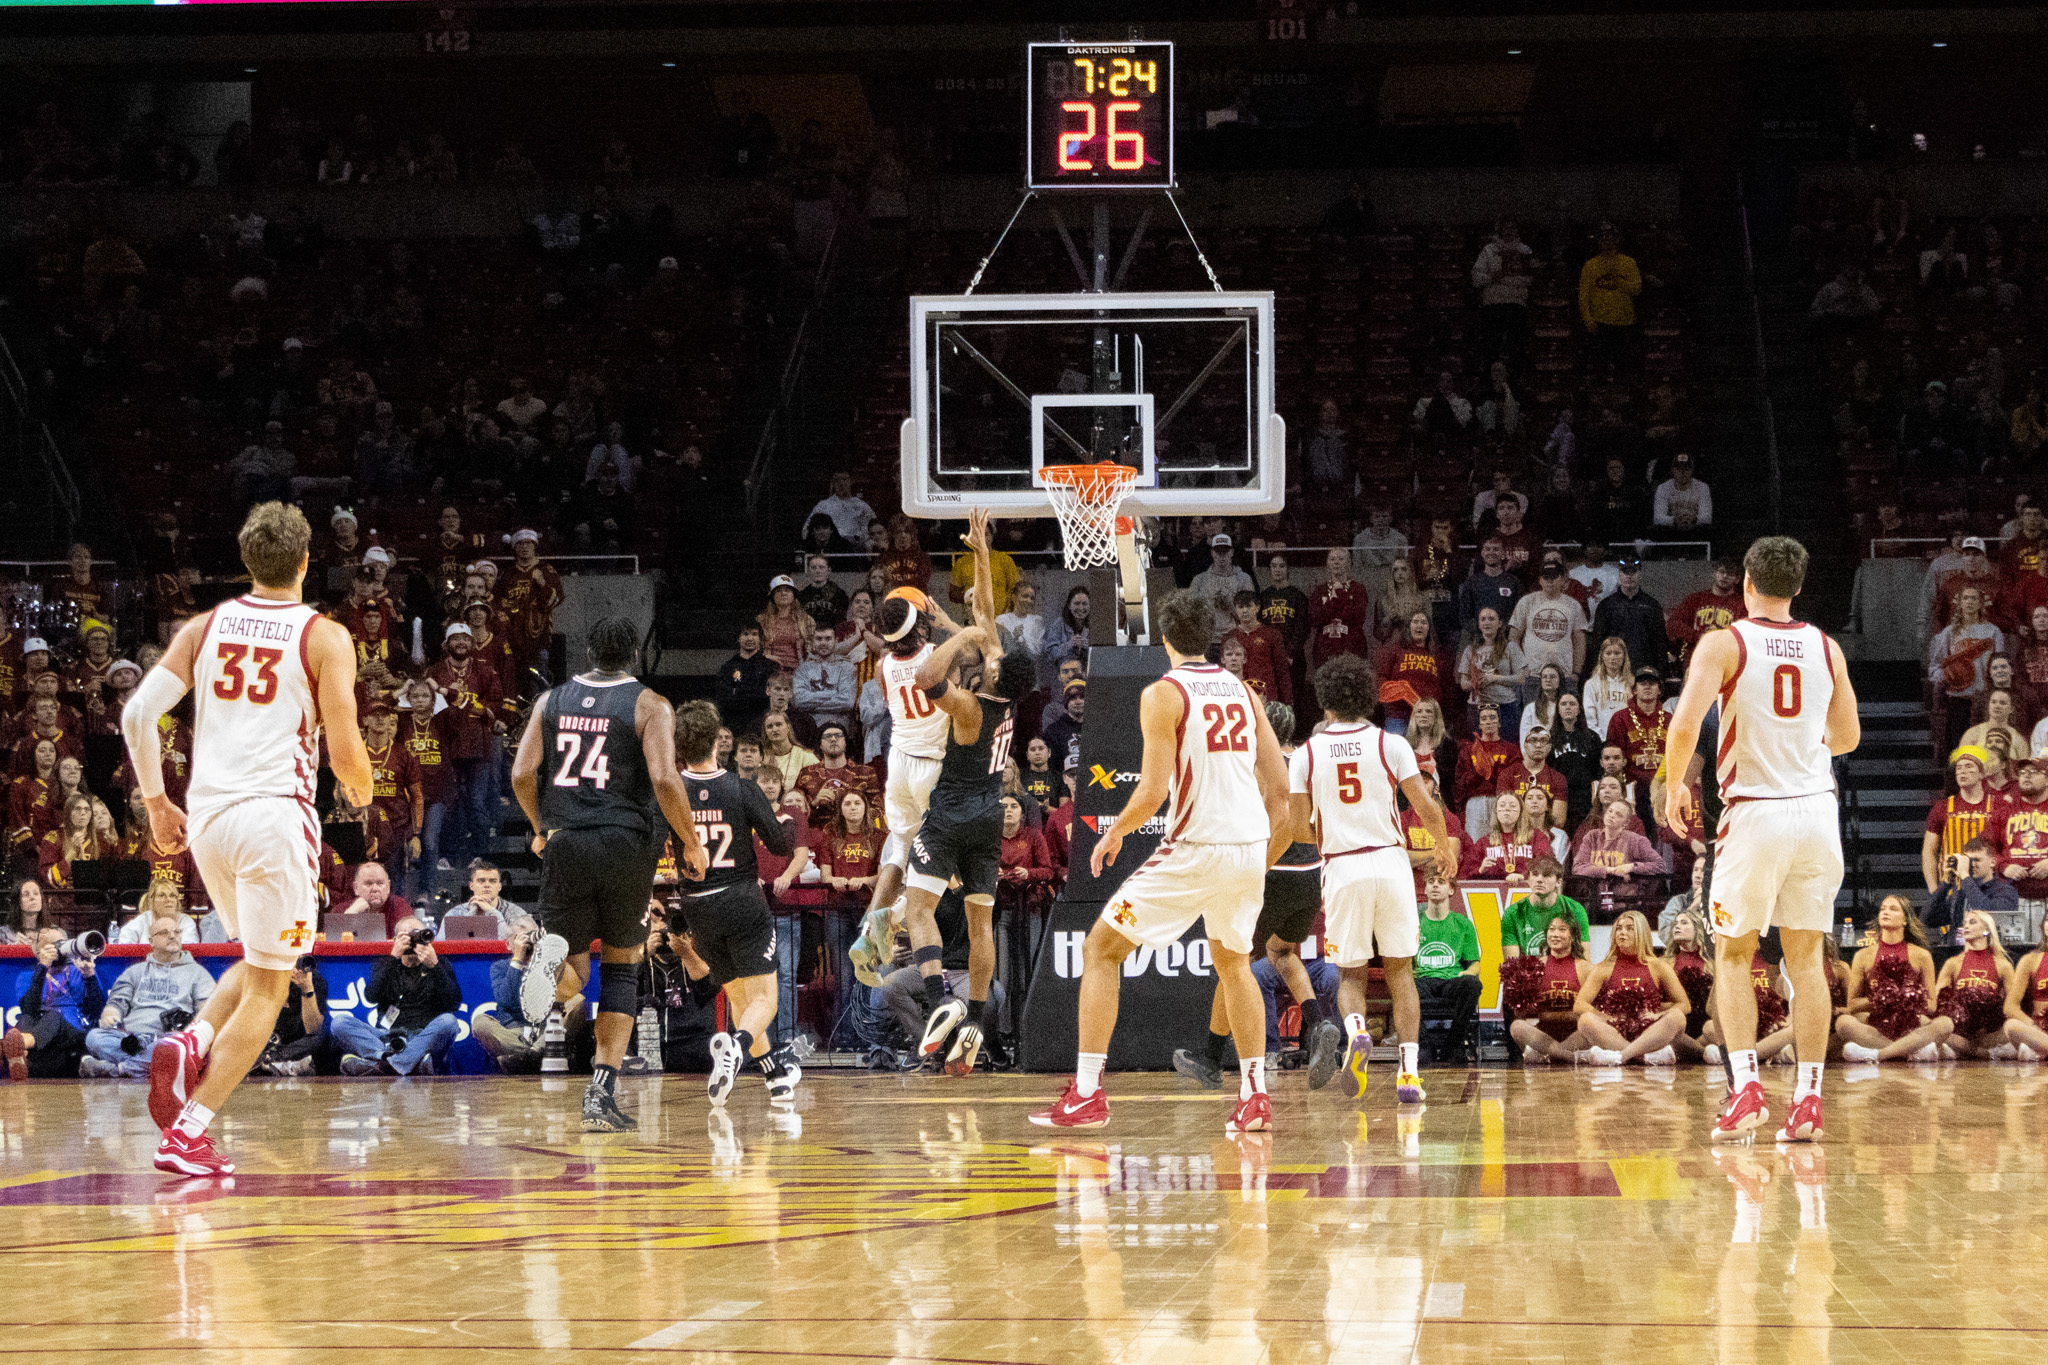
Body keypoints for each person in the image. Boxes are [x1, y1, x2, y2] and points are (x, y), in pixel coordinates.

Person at [121, 502, 373, 1177]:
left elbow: (137, 713)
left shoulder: (203, 627)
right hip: (273, 817)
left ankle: (193, 1037)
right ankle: (190, 1131)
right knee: (272, 987)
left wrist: (155, 804)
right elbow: (347, 749)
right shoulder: (324, 635)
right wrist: (364, 787)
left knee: (261, 963)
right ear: (305, 560)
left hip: (207, 819)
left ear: (247, 560)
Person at [1031, 588, 1291, 1134]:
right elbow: (1281, 792)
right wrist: (1258, 856)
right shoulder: (1245, 691)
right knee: (1234, 964)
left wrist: (1113, 835)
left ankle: (1086, 1093)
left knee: (1101, 949)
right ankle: (1255, 1097)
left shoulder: (1163, 693)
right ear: (1213, 637)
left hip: (1194, 848)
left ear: (1165, 639)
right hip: (1245, 848)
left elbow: (1151, 791)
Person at [1665, 535, 1859, 1144]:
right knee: (1806, 961)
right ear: (1799, 587)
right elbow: (1848, 736)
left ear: (1746, 582)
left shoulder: (1725, 642)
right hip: (1816, 811)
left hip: (1756, 812)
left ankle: (1746, 1087)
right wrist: (1800, 747)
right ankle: (1808, 1101)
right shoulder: (1827, 648)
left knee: (1732, 953)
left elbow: (1686, 721)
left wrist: (1675, 786)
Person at [510, 616, 710, 1133]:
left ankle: (548, 969)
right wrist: (690, 841)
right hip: (625, 845)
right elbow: (666, 778)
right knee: (622, 967)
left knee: (574, 972)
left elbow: (521, 773)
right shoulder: (650, 704)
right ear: (635, 656)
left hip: (567, 842)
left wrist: (539, 825)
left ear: (588, 650)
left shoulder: (550, 700)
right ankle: (600, 1095)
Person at [900, 512, 1036, 1077]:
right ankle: (976, 1019)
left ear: (992, 676)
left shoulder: (972, 706)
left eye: (993, 657)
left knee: (919, 908)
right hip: (987, 816)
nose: (990, 651)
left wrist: (954, 634)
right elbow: (986, 611)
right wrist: (982, 550)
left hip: (954, 810)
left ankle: (940, 1002)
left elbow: (926, 680)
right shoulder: (1007, 695)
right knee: (981, 923)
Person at [1174, 702, 1341, 1092]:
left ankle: (1211, 1059)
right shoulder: (1309, 762)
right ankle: (1319, 1023)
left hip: (1273, 871)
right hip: (1311, 875)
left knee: (1233, 963)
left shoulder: (1254, 763)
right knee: (1282, 953)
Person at [661, 699, 800, 1099]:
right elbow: (778, 844)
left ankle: (775, 1077)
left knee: (740, 999)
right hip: (740, 899)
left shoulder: (672, 794)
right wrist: (788, 822)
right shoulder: (740, 788)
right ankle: (736, 1049)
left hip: (697, 905)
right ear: (718, 743)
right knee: (765, 1002)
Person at [865, 584, 959, 923]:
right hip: (930, 765)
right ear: (920, 623)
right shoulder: (936, 655)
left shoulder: (882, 667)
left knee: (901, 851)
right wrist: (947, 623)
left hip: (898, 762)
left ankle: (871, 926)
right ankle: (896, 915)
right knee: (954, 864)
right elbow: (982, 649)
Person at [82, 912, 217, 1078]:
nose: (172, 936)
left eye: (176, 932)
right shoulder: (135, 971)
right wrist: (110, 1015)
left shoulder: (198, 973)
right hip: (131, 1039)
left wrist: (190, 1025)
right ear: (151, 941)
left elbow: (209, 1013)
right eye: (165, 933)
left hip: (169, 1037)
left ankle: (117, 1070)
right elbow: (116, 1003)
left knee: (173, 1048)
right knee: (94, 1038)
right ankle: (145, 1065)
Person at [333, 916, 463, 1076]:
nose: (413, 940)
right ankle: (404, 1062)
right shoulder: (385, 963)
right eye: (406, 936)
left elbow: (453, 1004)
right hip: (387, 1037)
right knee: (339, 1023)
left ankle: (384, 1065)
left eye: (418, 934)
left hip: (421, 1037)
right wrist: (393, 958)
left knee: (449, 1022)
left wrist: (435, 967)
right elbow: (371, 996)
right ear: (395, 940)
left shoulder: (438, 964)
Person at [1836, 895, 1955, 1062]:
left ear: (1905, 919)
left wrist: (1905, 999)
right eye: (1883, 909)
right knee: (1843, 1023)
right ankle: (1912, 1051)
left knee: (1945, 1024)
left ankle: (1878, 1054)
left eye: (1893, 909)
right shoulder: (1863, 956)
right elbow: (1852, 1004)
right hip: (1874, 1021)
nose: (1886, 912)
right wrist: (1881, 999)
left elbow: (1931, 1005)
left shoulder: (1922, 955)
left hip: (1911, 1021)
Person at [1569, 909, 1688, 1065]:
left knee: (1678, 1017)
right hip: (1615, 1031)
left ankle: (1622, 1056)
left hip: (1650, 1030)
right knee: (1585, 1020)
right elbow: (1580, 1005)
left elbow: (1684, 1004)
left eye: (1629, 928)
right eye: (1619, 928)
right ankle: (1644, 1058)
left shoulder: (1659, 966)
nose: (1622, 933)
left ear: (1641, 932)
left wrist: (1658, 1016)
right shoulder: (1603, 968)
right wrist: (1609, 1019)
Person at [1413, 868, 1483, 1065]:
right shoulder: (1413, 922)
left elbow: (1474, 963)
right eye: (1431, 881)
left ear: (1451, 890)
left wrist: (1468, 973)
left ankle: (1454, 1043)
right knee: (1403, 988)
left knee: (1473, 985)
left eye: (1441, 882)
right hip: (1421, 979)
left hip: (1451, 980)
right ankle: (1422, 1045)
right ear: (1425, 889)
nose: (1435, 885)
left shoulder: (1462, 923)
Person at [1504, 914, 1589, 1063]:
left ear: (1573, 936)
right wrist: (1519, 1006)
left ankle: (1550, 1056)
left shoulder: (1586, 968)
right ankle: (1567, 1057)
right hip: (1544, 1036)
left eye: (1562, 930)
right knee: (1517, 1026)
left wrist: (1560, 1016)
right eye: (1551, 929)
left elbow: (1591, 1014)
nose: (1555, 934)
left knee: (1592, 1027)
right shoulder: (1535, 966)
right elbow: (1523, 1014)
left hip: (1575, 1035)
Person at [1923, 747, 2009, 894]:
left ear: (1981, 774)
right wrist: (1934, 890)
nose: (1962, 771)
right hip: (1952, 889)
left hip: (1989, 888)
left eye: (1969, 767)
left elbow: (2007, 847)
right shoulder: (1942, 807)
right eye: (1959, 768)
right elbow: (1929, 852)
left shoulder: (1999, 805)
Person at [1932, 909, 2012, 1057]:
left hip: (1989, 1034)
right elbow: (1938, 1000)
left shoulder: (2002, 965)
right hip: (1958, 1033)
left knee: (2013, 1028)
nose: (1966, 927)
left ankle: (1963, 1051)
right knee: (1930, 1026)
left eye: (1972, 922)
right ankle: (1983, 1054)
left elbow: (2013, 1005)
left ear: (1986, 930)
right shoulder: (1953, 963)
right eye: (1965, 923)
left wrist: (1991, 1020)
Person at [1590, 558, 1667, 681]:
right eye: (1625, 573)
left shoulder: (1652, 605)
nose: (1629, 577)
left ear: (1640, 574)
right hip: (1614, 671)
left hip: (1644, 671)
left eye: (1633, 572)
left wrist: (1661, 675)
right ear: (1619, 574)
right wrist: (1597, 672)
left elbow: (1660, 644)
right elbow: (1598, 643)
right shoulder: (1606, 605)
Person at [1497, 856, 1590, 954]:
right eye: (1535, 874)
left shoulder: (1575, 910)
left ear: (1558, 882)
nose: (1539, 880)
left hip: (1563, 968)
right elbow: (1512, 965)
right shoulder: (1512, 914)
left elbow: (1583, 960)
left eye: (1546, 875)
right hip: (1527, 969)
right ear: (1528, 880)